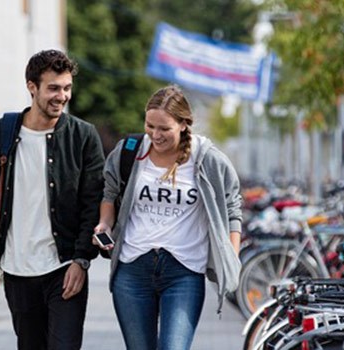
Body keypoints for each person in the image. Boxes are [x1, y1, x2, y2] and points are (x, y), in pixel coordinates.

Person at [0, 49, 105, 350]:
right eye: (53, 88)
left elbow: (91, 204)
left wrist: (82, 260)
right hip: (18, 268)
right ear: (32, 86)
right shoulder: (1, 132)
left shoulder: (83, 136)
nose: (62, 96)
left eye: (67, 87)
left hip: (64, 265)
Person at [93, 85, 242, 350]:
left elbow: (233, 208)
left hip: (183, 272)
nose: (155, 135)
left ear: (184, 124)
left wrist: (231, 256)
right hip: (133, 268)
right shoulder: (130, 151)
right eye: (150, 126)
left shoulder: (208, 159)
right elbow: (110, 191)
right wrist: (104, 224)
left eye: (164, 129)